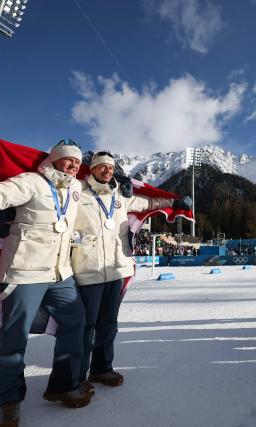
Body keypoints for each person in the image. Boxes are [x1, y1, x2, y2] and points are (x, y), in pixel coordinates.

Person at [0, 133, 91, 427]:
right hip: (24, 272)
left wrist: (114, 184)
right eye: (68, 158)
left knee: (76, 323)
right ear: (54, 158)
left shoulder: (76, 189)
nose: (73, 164)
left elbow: (101, 195)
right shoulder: (31, 182)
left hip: (61, 273)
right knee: (15, 337)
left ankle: (64, 385)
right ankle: (7, 401)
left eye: (77, 161)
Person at [72, 151, 191, 392]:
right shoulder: (77, 191)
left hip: (116, 269)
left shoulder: (120, 195)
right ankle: (77, 377)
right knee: (85, 326)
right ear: (92, 169)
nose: (107, 170)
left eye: (110, 167)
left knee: (108, 324)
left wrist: (174, 202)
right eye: (101, 166)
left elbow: (149, 203)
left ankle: (102, 369)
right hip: (88, 269)